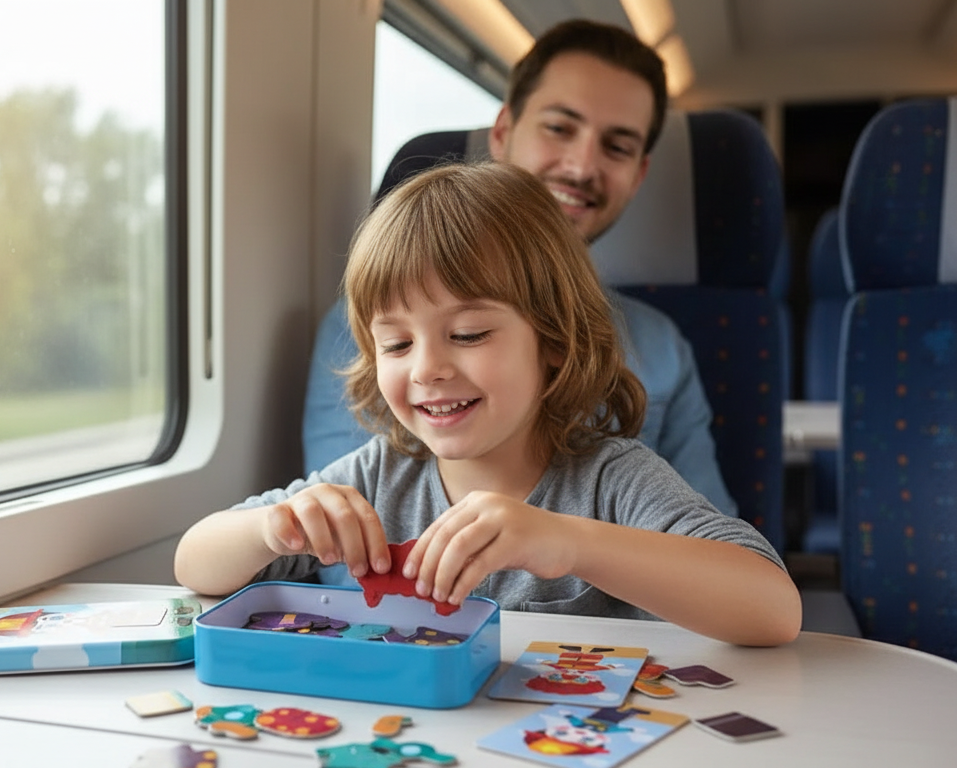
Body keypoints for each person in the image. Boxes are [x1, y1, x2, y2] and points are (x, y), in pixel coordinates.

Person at [176, 163, 801, 648]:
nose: (427, 369)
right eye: (396, 344)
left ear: (553, 342)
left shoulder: (611, 481)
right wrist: (271, 528)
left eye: (469, 334)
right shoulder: (378, 474)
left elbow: (773, 607)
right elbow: (194, 563)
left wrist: (569, 543)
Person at [303, 19, 736, 535]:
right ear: (503, 133)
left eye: (617, 147)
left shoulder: (662, 352)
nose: (581, 167)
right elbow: (347, 540)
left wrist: (565, 545)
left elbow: (717, 551)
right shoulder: (374, 327)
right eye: (559, 128)